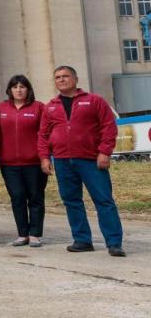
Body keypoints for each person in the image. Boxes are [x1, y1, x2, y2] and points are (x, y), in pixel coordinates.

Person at [39, 66, 125, 257]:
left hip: (91, 160)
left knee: (104, 200)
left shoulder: (94, 101)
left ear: (76, 79)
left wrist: (104, 152)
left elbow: (108, 127)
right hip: (62, 161)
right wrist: (44, 157)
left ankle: (114, 242)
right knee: (72, 201)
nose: (61, 80)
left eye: (65, 76)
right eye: (58, 77)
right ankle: (82, 240)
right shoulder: (50, 106)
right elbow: (43, 135)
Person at [0, 75, 46, 247]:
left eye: (22, 87)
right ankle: (22, 234)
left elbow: (44, 133)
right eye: (15, 87)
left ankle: (35, 234)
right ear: (10, 90)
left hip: (34, 162)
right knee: (17, 197)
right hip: (9, 163)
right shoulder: (1, 108)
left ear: (28, 89)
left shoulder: (38, 107)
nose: (19, 90)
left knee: (35, 197)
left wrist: (45, 157)